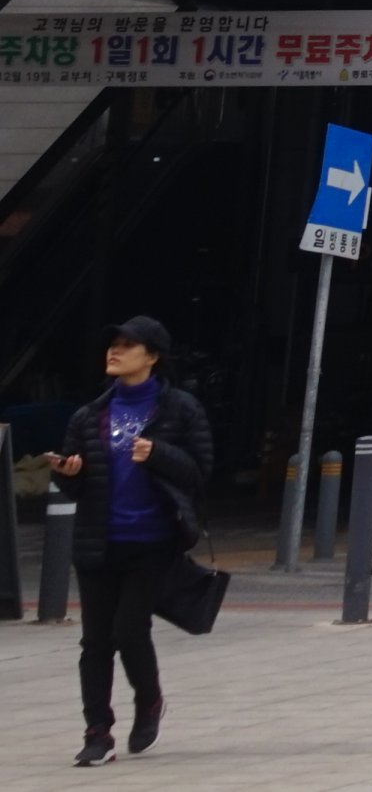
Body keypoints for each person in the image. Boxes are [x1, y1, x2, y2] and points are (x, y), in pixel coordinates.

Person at [51, 318, 215, 768]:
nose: (115, 352)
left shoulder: (181, 410)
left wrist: (159, 453)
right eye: (113, 345)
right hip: (99, 542)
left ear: (152, 356)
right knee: (95, 643)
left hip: (154, 542)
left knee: (128, 631)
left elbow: (201, 473)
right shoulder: (90, 415)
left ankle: (149, 701)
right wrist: (68, 473)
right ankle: (97, 732)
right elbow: (74, 486)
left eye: (128, 345)